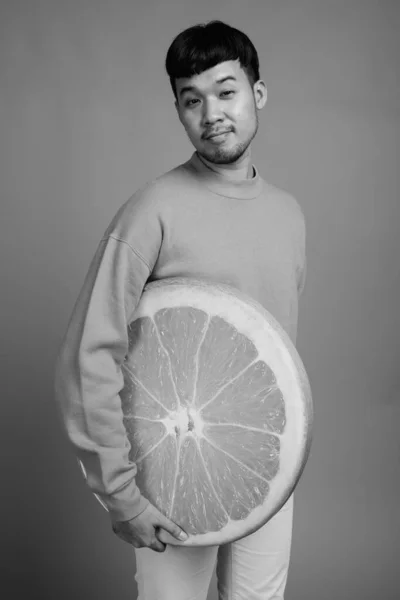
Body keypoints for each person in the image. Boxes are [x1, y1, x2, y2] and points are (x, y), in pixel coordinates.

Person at [55, 19, 307, 600]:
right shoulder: (151, 211)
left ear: (257, 94)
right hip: (170, 475)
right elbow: (88, 356)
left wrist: (283, 455)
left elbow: (273, 355)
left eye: (226, 91)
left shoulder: (290, 215)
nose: (212, 112)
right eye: (192, 100)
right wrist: (121, 493)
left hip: (267, 472)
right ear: (178, 110)